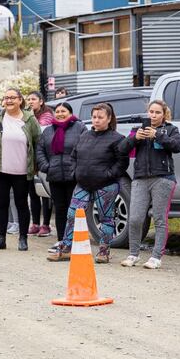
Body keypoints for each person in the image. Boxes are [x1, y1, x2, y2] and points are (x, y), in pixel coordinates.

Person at [48, 103, 129, 263]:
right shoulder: (85, 135)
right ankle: (66, 248)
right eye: (94, 117)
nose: (96, 120)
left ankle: (104, 251)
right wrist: (75, 173)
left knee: (106, 218)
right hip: (83, 184)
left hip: (106, 185)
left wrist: (108, 175)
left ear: (109, 118)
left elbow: (122, 163)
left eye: (100, 117)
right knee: (72, 215)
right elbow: (73, 156)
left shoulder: (118, 138)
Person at [121, 100, 180, 270]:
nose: (153, 115)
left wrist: (158, 135)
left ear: (164, 115)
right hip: (140, 178)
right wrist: (135, 138)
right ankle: (133, 254)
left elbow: (178, 146)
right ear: (147, 112)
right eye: (151, 112)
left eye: (157, 113)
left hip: (163, 179)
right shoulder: (138, 130)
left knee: (159, 218)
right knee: (134, 218)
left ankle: (156, 257)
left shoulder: (170, 129)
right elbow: (121, 149)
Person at [0, 88, 41, 251]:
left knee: (22, 204)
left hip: (22, 170)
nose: (9, 101)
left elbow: (38, 142)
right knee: (2, 204)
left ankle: (23, 238)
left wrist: (37, 164)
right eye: (6, 98)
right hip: (1, 169)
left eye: (12, 98)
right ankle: (1, 238)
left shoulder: (29, 119)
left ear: (20, 100)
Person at [35, 102, 86, 248]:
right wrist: (46, 167)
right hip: (55, 176)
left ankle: (76, 240)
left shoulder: (80, 128)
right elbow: (40, 150)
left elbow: (84, 149)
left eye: (63, 111)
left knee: (75, 209)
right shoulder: (48, 131)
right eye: (57, 111)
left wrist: (77, 168)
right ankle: (62, 240)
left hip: (73, 176)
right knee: (60, 208)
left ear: (70, 113)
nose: (60, 114)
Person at [26, 91, 55, 238]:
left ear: (41, 101)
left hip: (44, 158)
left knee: (45, 194)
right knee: (33, 193)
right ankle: (35, 223)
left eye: (34, 99)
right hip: (30, 159)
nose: (30, 101)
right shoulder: (28, 115)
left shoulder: (47, 115)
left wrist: (29, 116)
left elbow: (38, 130)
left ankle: (46, 225)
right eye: (28, 99)